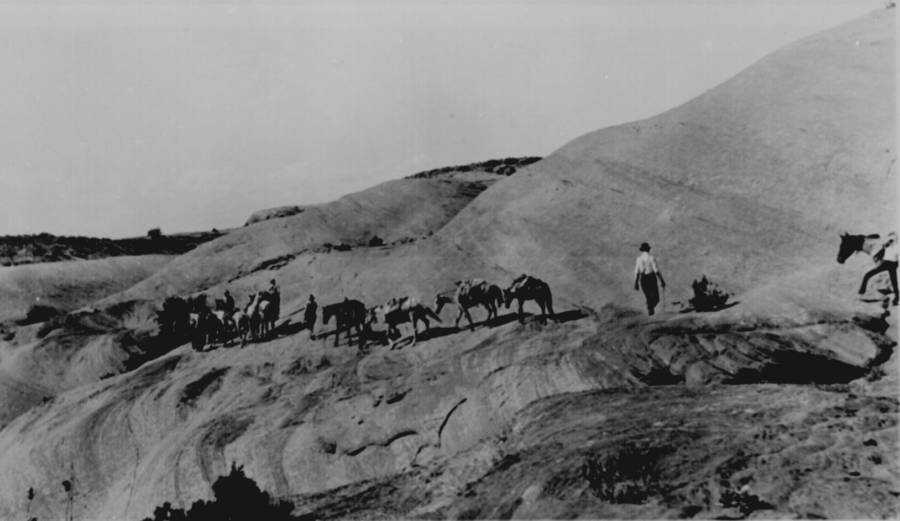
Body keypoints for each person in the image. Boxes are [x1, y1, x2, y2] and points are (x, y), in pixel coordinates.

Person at [859, 232, 898, 305]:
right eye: (889, 240)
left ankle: (896, 298)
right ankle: (862, 290)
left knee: (893, 281)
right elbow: (882, 251)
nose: (889, 241)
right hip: (887, 264)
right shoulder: (886, 246)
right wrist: (877, 256)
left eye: (891, 240)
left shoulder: (896, 246)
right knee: (869, 275)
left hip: (891, 264)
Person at [634, 242, 666, 315]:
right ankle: (650, 308)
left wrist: (636, 283)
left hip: (643, 279)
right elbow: (656, 270)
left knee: (648, 296)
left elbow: (637, 271)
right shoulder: (651, 257)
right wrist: (661, 280)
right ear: (648, 249)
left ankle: (650, 307)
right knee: (656, 298)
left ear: (642, 250)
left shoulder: (639, 259)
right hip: (651, 278)